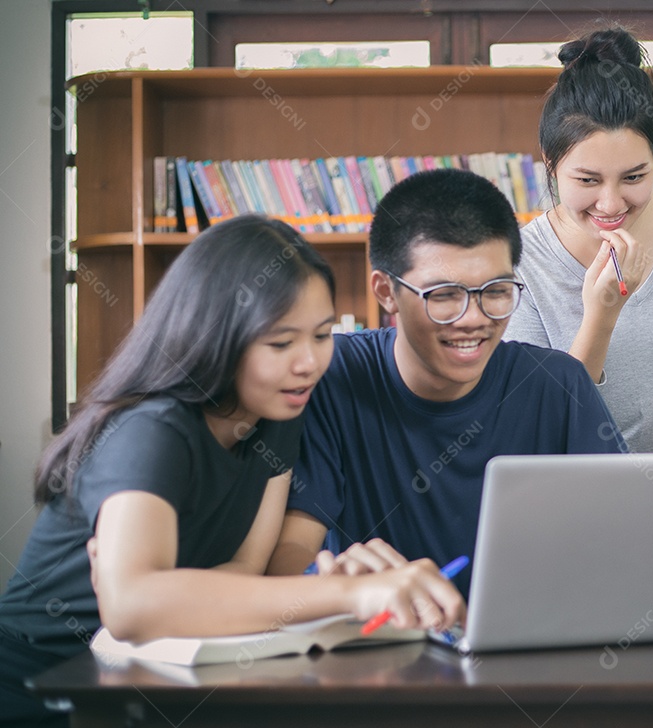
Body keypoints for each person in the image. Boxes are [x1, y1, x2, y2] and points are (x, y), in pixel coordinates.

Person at [0, 216, 464, 727]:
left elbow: (245, 570)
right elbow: (131, 604)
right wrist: (348, 593)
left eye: (322, 334)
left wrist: (331, 585)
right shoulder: (152, 430)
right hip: (44, 685)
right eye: (280, 343)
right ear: (216, 335)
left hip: (155, 674)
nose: (309, 363)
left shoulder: (278, 414)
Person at [268, 169, 627, 588]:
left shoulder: (558, 384)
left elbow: (620, 540)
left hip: (528, 641)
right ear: (386, 292)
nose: (473, 319)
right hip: (382, 641)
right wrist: (331, 579)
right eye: (444, 296)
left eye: (495, 291)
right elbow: (292, 549)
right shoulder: (332, 375)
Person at [502, 25, 653, 454]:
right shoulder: (520, 263)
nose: (610, 204)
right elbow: (547, 416)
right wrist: (601, 317)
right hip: (569, 502)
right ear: (549, 162)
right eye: (587, 180)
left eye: (635, 177)